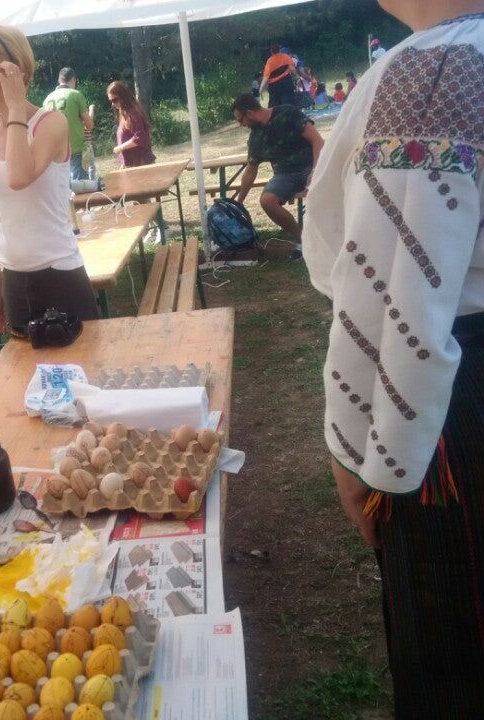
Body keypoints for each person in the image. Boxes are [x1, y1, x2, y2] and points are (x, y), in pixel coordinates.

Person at [302, 2, 484, 716]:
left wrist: (360, 458)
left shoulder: (437, 71)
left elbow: (395, 297)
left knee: (455, 648)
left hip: (454, 402)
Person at [0, 25, 99, 338]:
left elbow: (19, 177)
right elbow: (0, 219)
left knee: (85, 378)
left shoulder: (51, 123)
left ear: (12, 71)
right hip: (13, 278)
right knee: (31, 384)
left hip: (59, 273)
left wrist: (14, 105)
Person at [231, 94, 324, 258]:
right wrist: (239, 202)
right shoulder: (256, 137)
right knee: (267, 201)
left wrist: (316, 171)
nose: (241, 125)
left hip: (312, 165)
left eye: (240, 120)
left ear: (249, 113)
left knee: (326, 192)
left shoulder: (288, 113)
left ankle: (334, 235)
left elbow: (318, 141)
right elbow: (251, 169)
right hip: (284, 174)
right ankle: (304, 239)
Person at [43, 67, 94, 181]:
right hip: (76, 148)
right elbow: (89, 125)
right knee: (80, 187)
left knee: (63, 188)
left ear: (59, 80)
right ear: (73, 80)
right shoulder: (75, 94)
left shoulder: (47, 99)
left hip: (55, 153)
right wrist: (91, 111)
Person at [107, 81, 155, 168]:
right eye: (111, 101)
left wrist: (120, 148)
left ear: (123, 97)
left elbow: (139, 138)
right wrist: (123, 163)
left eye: (115, 100)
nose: (113, 104)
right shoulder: (123, 113)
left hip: (142, 164)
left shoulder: (133, 113)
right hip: (131, 165)